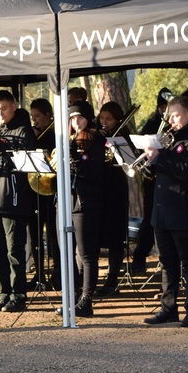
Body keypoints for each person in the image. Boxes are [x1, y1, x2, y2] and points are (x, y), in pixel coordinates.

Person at [142, 95, 188, 328]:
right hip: (162, 210)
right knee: (167, 263)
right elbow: (160, 172)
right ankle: (168, 308)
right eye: (168, 115)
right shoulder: (168, 139)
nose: (170, 120)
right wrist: (151, 161)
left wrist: (160, 157)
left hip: (185, 212)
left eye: (174, 115)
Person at [0, 90, 36, 312]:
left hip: (12, 197)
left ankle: (18, 294)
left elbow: (25, 155)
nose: (0, 113)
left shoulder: (24, 130)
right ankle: (3, 292)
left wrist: (1, 144)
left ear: (13, 106)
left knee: (14, 249)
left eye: (3, 109)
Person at [67, 101, 106, 317]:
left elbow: (92, 173)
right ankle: (74, 297)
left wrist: (73, 158)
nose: (76, 122)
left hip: (86, 202)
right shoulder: (71, 139)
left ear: (89, 118)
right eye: (72, 119)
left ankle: (86, 300)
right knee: (72, 253)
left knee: (87, 253)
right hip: (68, 200)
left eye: (79, 118)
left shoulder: (95, 139)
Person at [130, 87, 171, 273]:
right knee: (149, 219)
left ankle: (167, 260)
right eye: (163, 107)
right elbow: (139, 145)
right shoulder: (152, 124)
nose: (165, 111)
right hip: (152, 178)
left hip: (169, 179)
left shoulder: (175, 128)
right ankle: (140, 257)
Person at [96, 101, 129, 296]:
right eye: (102, 118)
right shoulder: (96, 136)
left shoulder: (123, 138)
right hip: (99, 189)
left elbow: (128, 161)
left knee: (115, 237)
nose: (104, 122)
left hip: (116, 189)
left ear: (118, 120)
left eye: (109, 119)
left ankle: (112, 279)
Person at [29, 98, 59, 289]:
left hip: (52, 190)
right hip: (34, 191)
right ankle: (38, 273)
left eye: (38, 116)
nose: (35, 121)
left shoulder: (55, 134)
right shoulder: (33, 135)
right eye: (32, 117)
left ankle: (57, 273)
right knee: (35, 234)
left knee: (54, 236)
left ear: (48, 115)